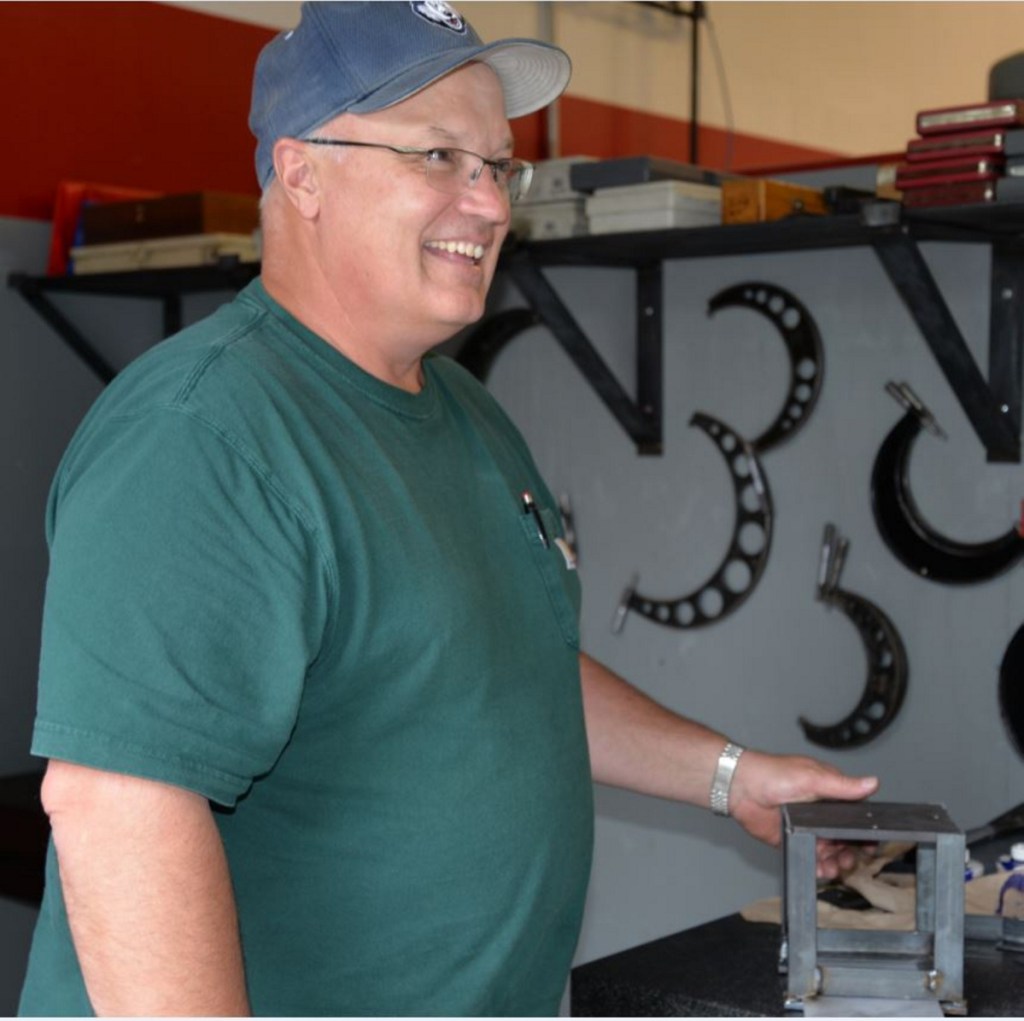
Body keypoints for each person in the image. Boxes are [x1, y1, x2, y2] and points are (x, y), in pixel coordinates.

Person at [18, 2, 879, 1016]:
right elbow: (120, 813)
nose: (486, 204)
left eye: (496, 166)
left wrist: (730, 777)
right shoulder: (203, 434)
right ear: (302, 175)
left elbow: (512, 665)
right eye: (437, 157)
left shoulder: (464, 410)